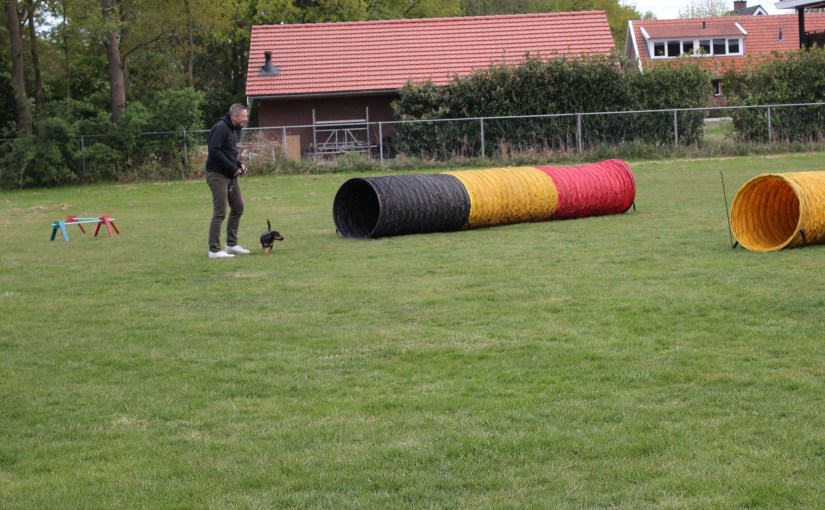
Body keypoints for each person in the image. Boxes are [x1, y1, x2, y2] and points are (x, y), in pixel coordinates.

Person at [205, 103, 250, 258]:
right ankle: (214, 250)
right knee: (220, 211)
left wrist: (239, 165)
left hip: (229, 174)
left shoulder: (231, 130)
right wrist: (232, 168)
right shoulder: (220, 128)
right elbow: (214, 151)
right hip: (217, 174)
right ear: (234, 116)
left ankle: (231, 245)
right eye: (243, 117)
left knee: (238, 207)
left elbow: (229, 153)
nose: (245, 120)